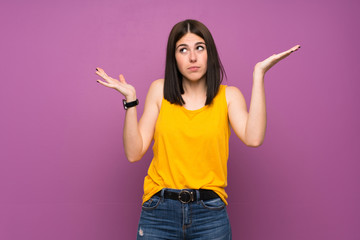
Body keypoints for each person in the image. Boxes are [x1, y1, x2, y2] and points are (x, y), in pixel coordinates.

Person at [95, 19, 300, 240]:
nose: (192, 57)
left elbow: (254, 138)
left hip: (210, 213)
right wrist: (131, 101)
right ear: (174, 58)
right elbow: (134, 153)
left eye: (199, 48)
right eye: (183, 50)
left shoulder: (229, 97)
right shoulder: (159, 91)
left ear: (209, 53)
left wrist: (259, 74)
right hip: (159, 211)